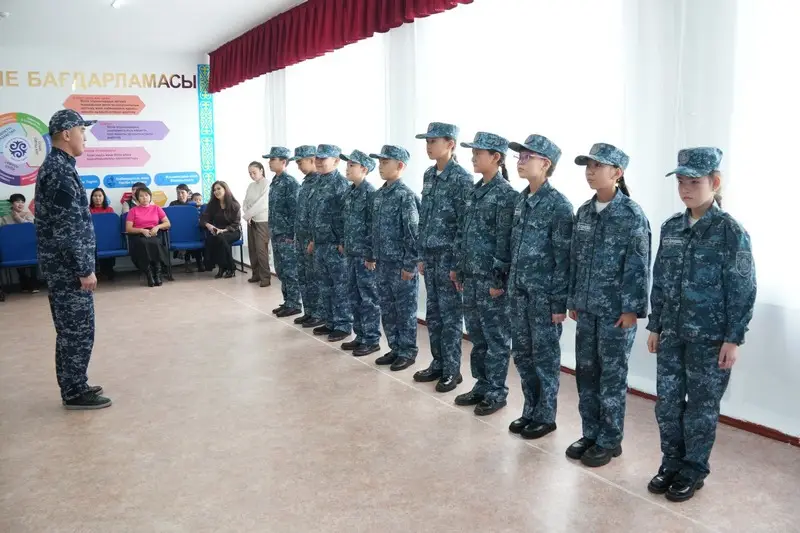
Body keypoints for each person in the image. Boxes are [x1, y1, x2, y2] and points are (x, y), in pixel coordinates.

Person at [646, 148, 756, 503]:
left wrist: (733, 338)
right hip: (673, 335)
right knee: (668, 403)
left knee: (701, 407)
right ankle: (671, 462)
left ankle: (693, 469)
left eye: (694, 182)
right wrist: (656, 325)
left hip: (709, 340)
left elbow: (743, 288)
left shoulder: (730, 232)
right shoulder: (672, 228)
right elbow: (660, 281)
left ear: (715, 182)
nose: (685, 189)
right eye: (680, 182)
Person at [566, 143, 651, 467]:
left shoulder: (630, 215)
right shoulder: (584, 212)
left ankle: (610, 439)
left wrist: (632, 310)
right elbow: (576, 259)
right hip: (587, 309)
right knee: (586, 373)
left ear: (617, 173)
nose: (590, 171)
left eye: (597, 166)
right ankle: (591, 433)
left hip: (616, 314)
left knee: (611, 377)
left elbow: (639, 265)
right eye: (587, 165)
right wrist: (574, 299)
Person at [34, 109, 110, 409]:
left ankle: (75, 383)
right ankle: (74, 391)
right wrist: (83, 269)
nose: (85, 136)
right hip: (68, 269)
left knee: (73, 329)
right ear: (66, 134)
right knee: (76, 330)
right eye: (81, 130)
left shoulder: (60, 166)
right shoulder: (59, 170)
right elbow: (67, 229)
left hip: (63, 265)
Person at [505, 135, 573, 438]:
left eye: (526, 157)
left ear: (545, 164)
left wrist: (559, 303)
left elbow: (564, 259)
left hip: (544, 299)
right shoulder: (521, 200)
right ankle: (529, 409)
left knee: (544, 358)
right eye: (518, 157)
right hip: (518, 294)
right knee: (522, 355)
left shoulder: (559, 206)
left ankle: (546, 415)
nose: (519, 162)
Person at [452, 132, 519, 410]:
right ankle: (481, 385)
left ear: (496, 157)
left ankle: (496, 391)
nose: (473, 157)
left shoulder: (506, 195)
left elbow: (506, 243)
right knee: (477, 336)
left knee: (496, 339)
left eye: (479, 153)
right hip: (471, 277)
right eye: (473, 151)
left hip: (491, 281)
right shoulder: (474, 191)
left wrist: (498, 280)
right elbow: (462, 232)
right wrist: (458, 268)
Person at [413, 122, 474, 391]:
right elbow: (424, 218)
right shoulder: (429, 175)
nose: (428, 146)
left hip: (449, 259)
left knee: (450, 318)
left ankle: (452, 370)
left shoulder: (461, 179)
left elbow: (464, 225)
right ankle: (438, 363)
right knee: (434, 315)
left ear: (450, 144)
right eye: (427, 141)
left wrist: (456, 264)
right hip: (431, 257)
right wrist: (421, 255)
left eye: (433, 141)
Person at [367, 145, 420, 371]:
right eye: (379, 162)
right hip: (382, 263)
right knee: (387, 308)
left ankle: (407, 351)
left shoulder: (405, 197)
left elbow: (413, 234)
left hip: (400, 265)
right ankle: (395, 347)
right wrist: (371, 255)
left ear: (400, 166)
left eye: (385, 162)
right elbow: (373, 230)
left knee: (405, 310)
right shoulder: (379, 196)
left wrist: (409, 265)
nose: (380, 166)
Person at [308, 145, 353, 341]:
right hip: (320, 244)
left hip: (335, 245)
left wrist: (343, 241)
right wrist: (313, 239)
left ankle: (343, 324)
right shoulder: (318, 182)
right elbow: (315, 215)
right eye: (317, 158)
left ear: (336, 161)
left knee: (340, 287)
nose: (318, 161)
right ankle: (330, 321)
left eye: (323, 159)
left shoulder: (340, 184)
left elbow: (347, 216)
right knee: (324, 285)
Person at [339, 150, 381, 357]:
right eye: (347, 166)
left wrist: (371, 255)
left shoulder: (371, 194)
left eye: (351, 166)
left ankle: (372, 339)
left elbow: (374, 227)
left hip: (365, 257)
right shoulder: (350, 192)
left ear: (364, 169)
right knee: (353, 296)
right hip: (350, 253)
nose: (347, 169)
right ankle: (361, 335)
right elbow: (344, 222)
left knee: (368, 298)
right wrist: (342, 243)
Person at [264, 148, 301, 316]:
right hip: (276, 232)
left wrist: (292, 235)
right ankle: (287, 301)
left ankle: (294, 303)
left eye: (273, 159)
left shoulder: (290, 183)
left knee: (290, 270)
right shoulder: (276, 181)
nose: (270, 162)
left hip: (286, 235)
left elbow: (295, 211)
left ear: (284, 162)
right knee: (280, 269)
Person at [291, 145, 325, 328]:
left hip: (313, 239)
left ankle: (319, 313)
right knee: (303, 276)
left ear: (312, 160)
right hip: (301, 237)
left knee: (314, 277)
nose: (298, 166)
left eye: (300, 162)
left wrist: (313, 238)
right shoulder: (306, 182)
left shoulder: (320, 182)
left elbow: (319, 215)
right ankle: (309, 311)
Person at [125, 187, 171, 287]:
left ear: (150, 196)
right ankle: (149, 274)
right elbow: (128, 228)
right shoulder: (133, 211)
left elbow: (167, 223)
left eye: (146, 195)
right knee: (143, 243)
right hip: (138, 235)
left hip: (153, 233)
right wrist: (142, 230)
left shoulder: (156, 208)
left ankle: (157, 274)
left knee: (155, 242)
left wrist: (157, 227)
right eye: (141, 196)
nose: (144, 198)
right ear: (137, 199)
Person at [201, 181, 242, 278]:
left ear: (225, 189)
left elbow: (236, 224)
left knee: (220, 238)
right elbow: (203, 219)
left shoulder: (234, 205)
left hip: (232, 231)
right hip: (217, 231)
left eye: (219, 188)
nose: (216, 191)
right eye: (214, 190)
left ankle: (224, 267)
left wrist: (224, 230)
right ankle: (229, 267)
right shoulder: (212, 205)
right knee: (217, 239)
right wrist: (208, 225)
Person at [1, 193, 40, 293]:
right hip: (13, 250)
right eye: (17, 201)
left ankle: (34, 282)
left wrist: (19, 219)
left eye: (22, 202)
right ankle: (24, 281)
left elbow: (31, 228)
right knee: (15, 251)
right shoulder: (5, 218)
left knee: (33, 252)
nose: (20, 204)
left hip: (29, 247)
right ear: (12, 204)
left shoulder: (29, 215)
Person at [243, 162, 272, 287]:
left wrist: (248, 214)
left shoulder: (267, 184)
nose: (252, 175)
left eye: (254, 172)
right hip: (251, 220)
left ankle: (265, 277)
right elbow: (245, 202)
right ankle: (256, 274)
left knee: (261, 250)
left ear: (261, 170)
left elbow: (263, 203)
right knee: (252, 249)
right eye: (250, 173)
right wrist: (247, 214)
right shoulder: (251, 186)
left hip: (262, 220)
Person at [87, 187, 117, 280]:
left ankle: (109, 269)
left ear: (104, 197)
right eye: (95, 196)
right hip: (92, 237)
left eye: (100, 196)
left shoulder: (109, 210)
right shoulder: (88, 210)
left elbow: (112, 227)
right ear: (92, 198)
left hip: (108, 238)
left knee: (111, 243)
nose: (97, 198)